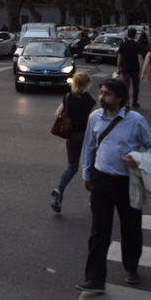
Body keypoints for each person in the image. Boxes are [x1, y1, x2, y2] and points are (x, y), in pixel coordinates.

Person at [76, 78, 151, 294]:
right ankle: (94, 279)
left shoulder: (136, 120)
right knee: (99, 230)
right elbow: (89, 147)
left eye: (107, 94)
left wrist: (140, 159)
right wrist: (87, 174)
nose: (102, 98)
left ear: (120, 98)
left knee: (130, 228)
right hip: (101, 179)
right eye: (101, 93)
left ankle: (131, 267)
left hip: (127, 181)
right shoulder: (95, 117)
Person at [50, 70, 95, 214]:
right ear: (88, 84)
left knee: (72, 167)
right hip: (86, 136)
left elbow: (57, 114)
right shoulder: (90, 101)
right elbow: (94, 120)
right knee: (92, 167)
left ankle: (59, 190)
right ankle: (94, 199)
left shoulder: (68, 97)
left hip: (72, 136)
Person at [117, 28, 143, 109]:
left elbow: (119, 57)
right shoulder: (137, 45)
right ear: (135, 35)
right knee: (136, 86)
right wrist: (141, 69)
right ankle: (135, 102)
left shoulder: (123, 44)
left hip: (125, 68)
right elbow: (140, 58)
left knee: (126, 86)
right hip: (135, 68)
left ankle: (127, 102)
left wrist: (118, 67)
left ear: (128, 34)